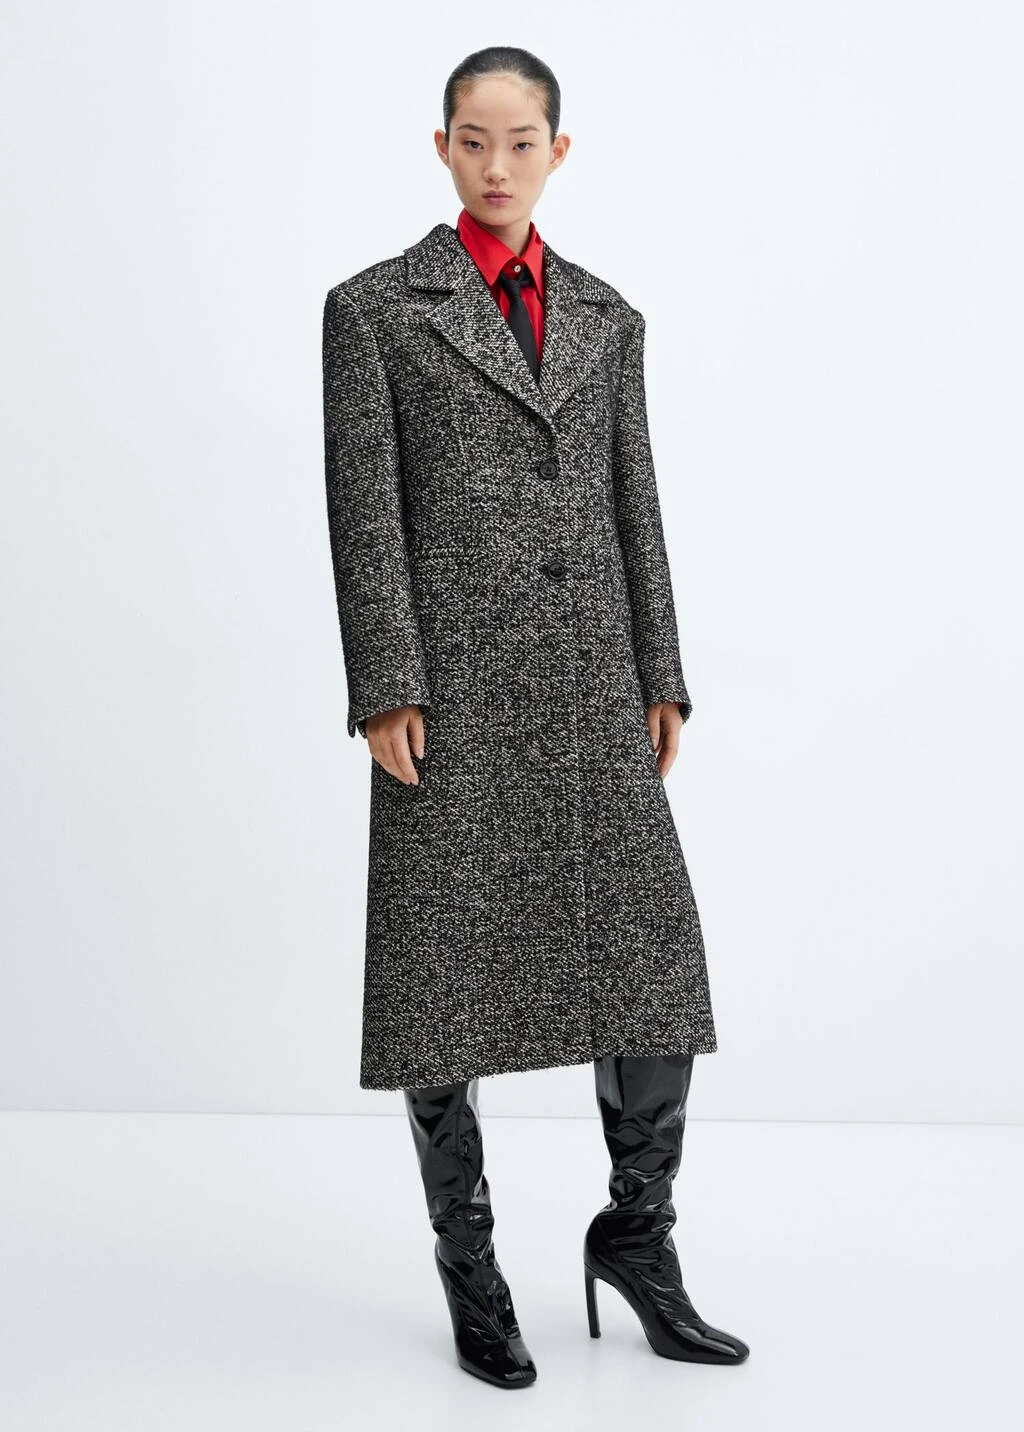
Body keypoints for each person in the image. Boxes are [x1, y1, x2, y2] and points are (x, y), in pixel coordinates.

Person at [321, 45, 749, 1389]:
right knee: (440, 986)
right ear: (441, 147)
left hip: (593, 683)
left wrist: (661, 670)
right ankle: (472, 1269)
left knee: (654, 971)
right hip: (450, 696)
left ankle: (638, 1237)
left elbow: (637, 499)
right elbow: (364, 510)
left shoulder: (610, 318)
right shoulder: (375, 310)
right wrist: (386, 683)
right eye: (473, 140)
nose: (496, 165)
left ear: (559, 151)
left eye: (521, 143)